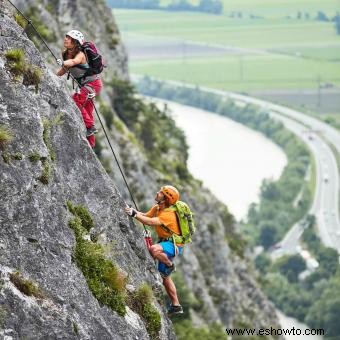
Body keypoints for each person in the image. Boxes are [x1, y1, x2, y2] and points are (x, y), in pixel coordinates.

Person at [125, 185, 184, 315]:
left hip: (173, 245)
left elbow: (150, 222)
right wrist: (133, 211)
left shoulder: (168, 214)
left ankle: (169, 264)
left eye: (161, 193)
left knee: (153, 249)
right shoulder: (157, 208)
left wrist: (134, 214)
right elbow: (146, 216)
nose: (157, 193)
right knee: (165, 277)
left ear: (166, 199)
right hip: (165, 243)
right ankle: (176, 305)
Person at [56, 30, 102, 148]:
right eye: (66, 36)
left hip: (92, 84)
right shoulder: (65, 53)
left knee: (76, 101)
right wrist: (56, 73)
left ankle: (90, 127)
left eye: (69, 38)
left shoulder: (80, 54)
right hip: (85, 85)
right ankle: (91, 144)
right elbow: (64, 70)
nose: (66, 39)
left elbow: (73, 62)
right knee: (87, 111)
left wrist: (63, 62)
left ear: (76, 42)